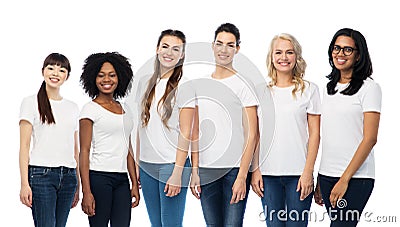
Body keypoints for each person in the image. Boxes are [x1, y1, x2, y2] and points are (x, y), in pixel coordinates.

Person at [190, 23, 259, 226]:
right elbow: (195, 132)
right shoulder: (200, 84)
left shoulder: (244, 84)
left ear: (237, 48)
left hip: (234, 170)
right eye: (219, 44)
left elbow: (252, 134)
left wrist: (242, 176)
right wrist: (195, 171)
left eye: (230, 45)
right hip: (207, 169)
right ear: (212, 46)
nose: (224, 50)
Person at [250, 33, 321, 226]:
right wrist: (255, 170)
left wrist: (308, 172)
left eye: (289, 52)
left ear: (296, 56)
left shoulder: (309, 89)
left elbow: (315, 134)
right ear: (271, 58)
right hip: (268, 174)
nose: (284, 57)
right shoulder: (260, 91)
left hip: (299, 174)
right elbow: (255, 135)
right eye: (278, 52)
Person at [314, 28, 381, 226]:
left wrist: (344, 179)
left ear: (358, 54)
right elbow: (329, 135)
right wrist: (320, 176)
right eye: (336, 48)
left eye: (347, 50)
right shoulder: (328, 89)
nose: (340, 54)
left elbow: (370, 138)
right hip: (327, 176)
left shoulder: (370, 88)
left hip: (356, 177)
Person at [135, 29, 195, 227]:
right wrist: (136, 164)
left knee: (171, 224)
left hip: (171, 165)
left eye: (176, 49)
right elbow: (140, 128)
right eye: (165, 46)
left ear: (182, 55)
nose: (169, 52)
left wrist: (178, 172)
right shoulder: (145, 83)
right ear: (157, 49)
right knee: (156, 224)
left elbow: (186, 132)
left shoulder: (184, 86)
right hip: (146, 165)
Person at [19, 53, 80, 227]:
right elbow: (24, 146)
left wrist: (78, 185)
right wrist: (24, 183)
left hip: (69, 177)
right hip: (41, 175)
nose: (55, 73)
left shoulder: (73, 107)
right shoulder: (30, 102)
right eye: (51, 68)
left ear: (66, 76)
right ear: (43, 71)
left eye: (62, 70)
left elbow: (75, 149)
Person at [79, 52, 139, 226]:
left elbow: (128, 149)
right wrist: (86, 192)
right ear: (93, 78)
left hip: (122, 180)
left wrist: (134, 183)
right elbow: (84, 151)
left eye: (112, 75)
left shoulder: (126, 109)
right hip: (98, 178)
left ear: (120, 77)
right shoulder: (90, 109)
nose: (107, 80)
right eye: (101, 75)